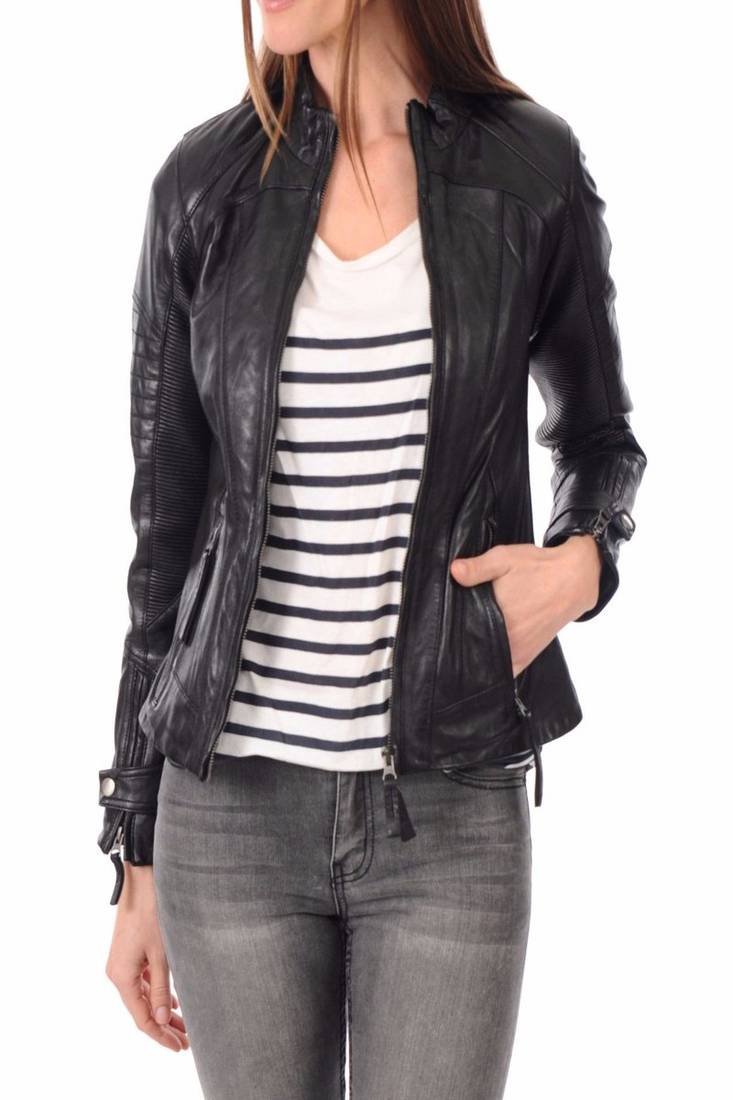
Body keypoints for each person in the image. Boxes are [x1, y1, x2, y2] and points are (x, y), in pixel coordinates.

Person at [98, 2, 647, 1097]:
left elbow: (599, 441)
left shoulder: (527, 169)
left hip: (451, 805)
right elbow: (162, 546)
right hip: (230, 815)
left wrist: (582, 563)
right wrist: (135, 847)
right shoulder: (202, 188)